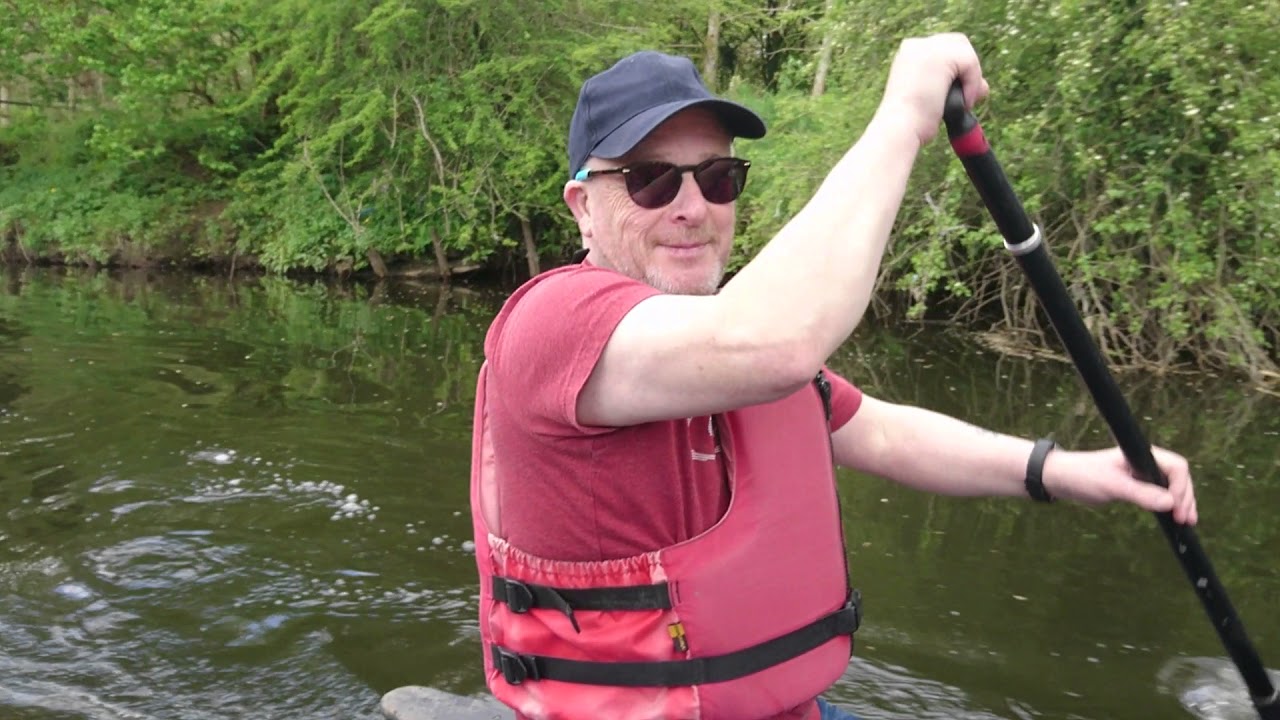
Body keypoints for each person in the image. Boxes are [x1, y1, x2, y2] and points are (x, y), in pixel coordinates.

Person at [467, 33, 1198, 720]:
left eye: (720, 177)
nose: (693, 208)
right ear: (582, 209)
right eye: (651, 181)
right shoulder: (553, 322)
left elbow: (875, 430)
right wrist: (905, 117)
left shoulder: (717, 335)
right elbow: (772, 344)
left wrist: (1067, 471)